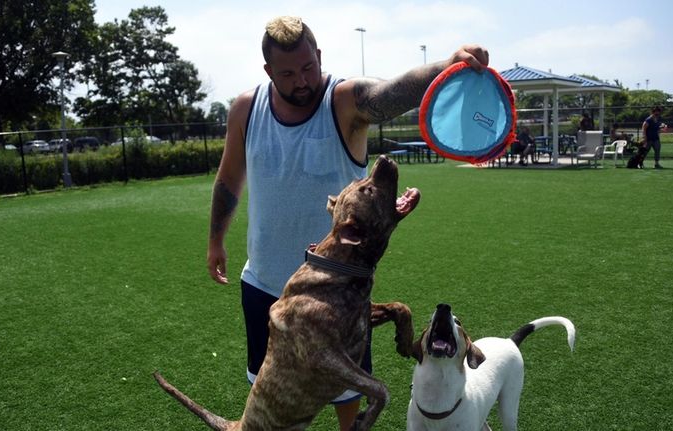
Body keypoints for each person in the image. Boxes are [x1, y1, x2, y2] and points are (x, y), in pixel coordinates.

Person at [206, 16, 489, 431]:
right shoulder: (246, 110)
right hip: (266, 287)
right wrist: (216, 241)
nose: (302, 81)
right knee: (272, 408)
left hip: (339, 296)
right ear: (268, 71)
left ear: (319, 56)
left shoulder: (343, 102)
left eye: (308, 68)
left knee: (348, 403)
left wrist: (444, 66)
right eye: (287, 73)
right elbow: (229, 178)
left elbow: (389, 93)